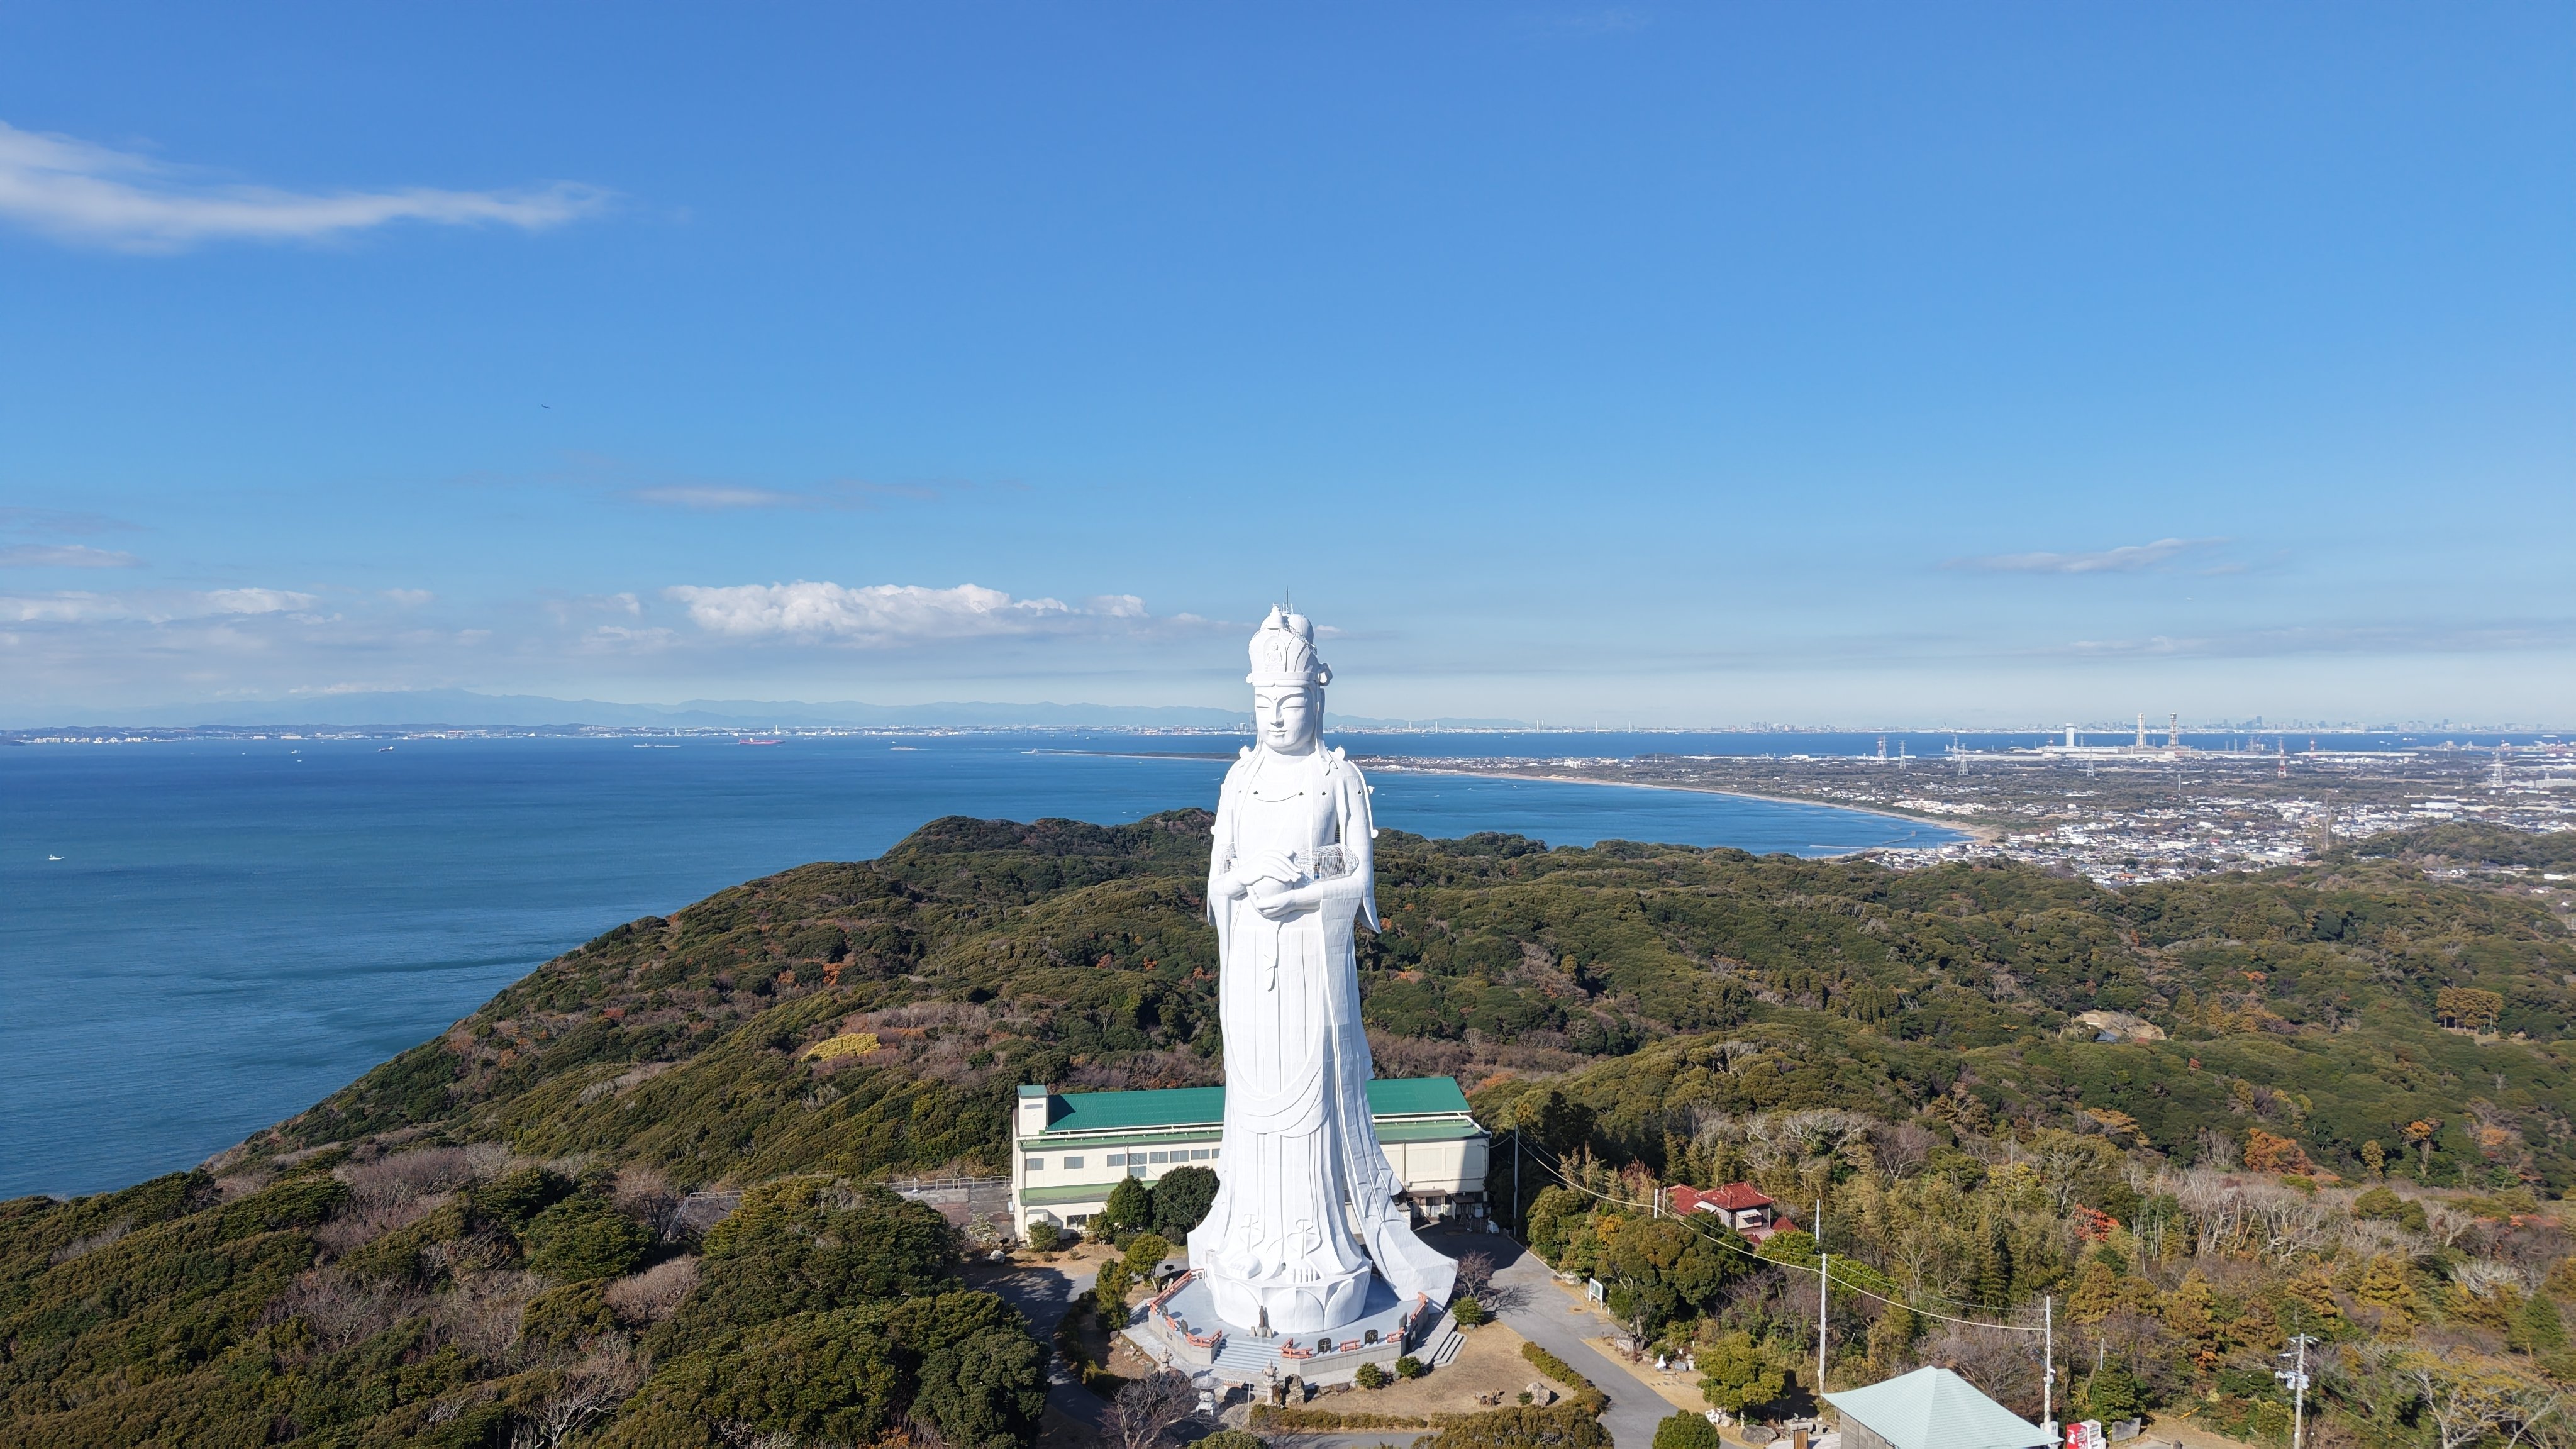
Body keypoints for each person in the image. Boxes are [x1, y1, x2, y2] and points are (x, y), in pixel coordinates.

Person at [1187, 606, 1457, 1333]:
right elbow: (1213, 887)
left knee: (1311, 1107)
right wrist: (1249, 884)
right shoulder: (1239, 779)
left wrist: (1301, 889)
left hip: (1310, 967)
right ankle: (1247, 1245)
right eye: (1264, 703)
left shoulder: (1339, 777)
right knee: (1253, 1104)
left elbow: (1360, 886)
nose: (1277, 717)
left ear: (1319, 698)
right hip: (1251, 970)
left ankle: (1317, 1251)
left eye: (1292, 702)